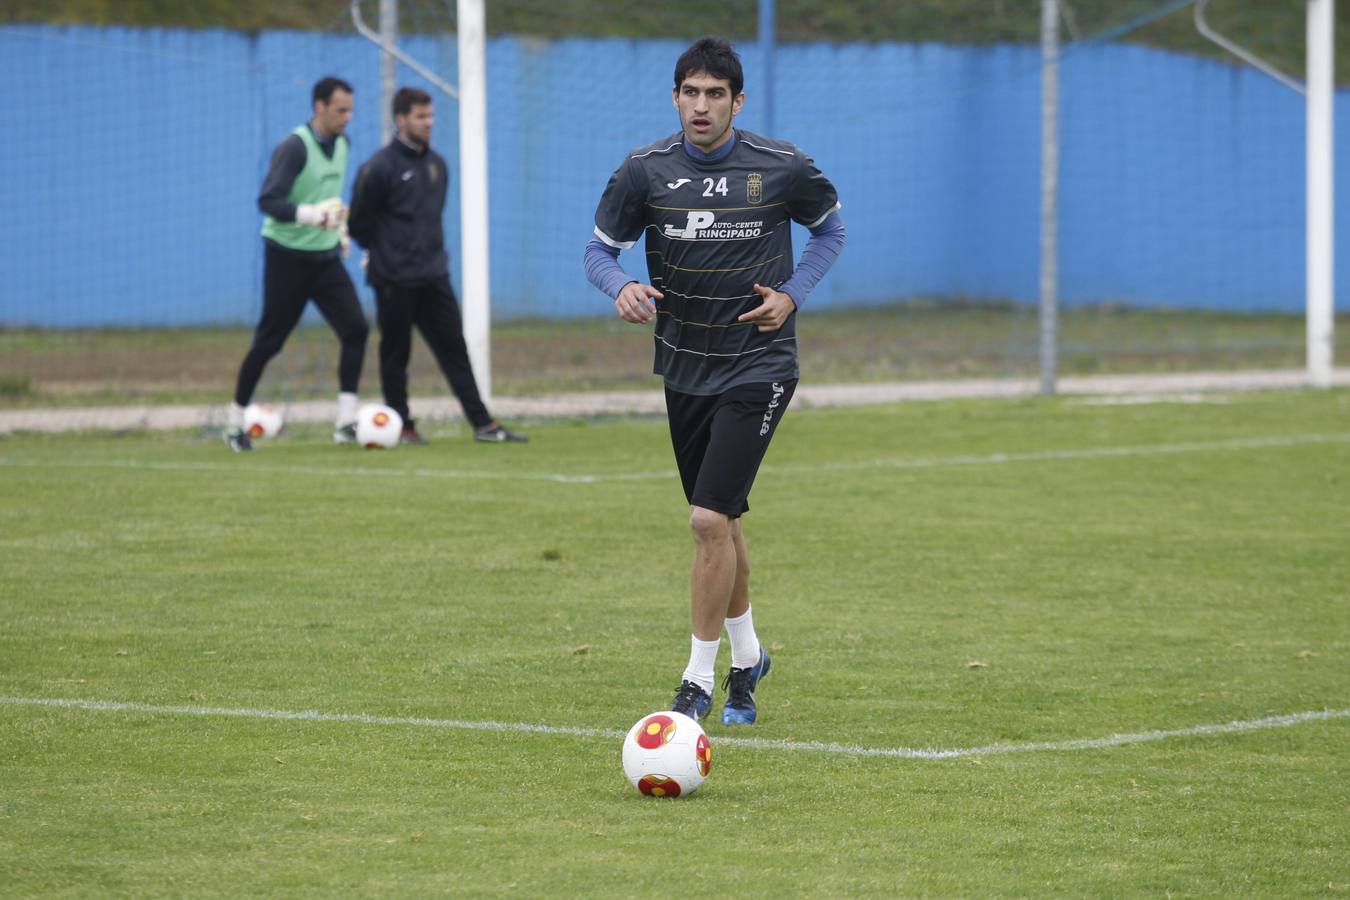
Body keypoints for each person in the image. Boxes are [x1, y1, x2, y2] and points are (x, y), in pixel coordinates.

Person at [584, 37, 845, 725]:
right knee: (721, 522)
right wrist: (621, 287)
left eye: (715, 94)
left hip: (760, 364)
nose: (702, 106)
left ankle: (696, 683)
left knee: (705, 519)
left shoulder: (782, 166)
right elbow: (599, 251)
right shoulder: (645, 171)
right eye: (690, 93)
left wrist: (791, 294)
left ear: (737, 101)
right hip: (683, 364)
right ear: (675, 98)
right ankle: (749, 656)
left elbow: (830, 233)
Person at [347, 87, 525, 445]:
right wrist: (385, 253)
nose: (428, 123)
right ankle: (403, 426)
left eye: (430, 116)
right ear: (401, 120)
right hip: (394, 278)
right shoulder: (378, 167)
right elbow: (358, 225)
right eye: (420, 117)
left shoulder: (437, 164)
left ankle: (483, 425)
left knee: (454, 349)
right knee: (396, 354)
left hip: (433, 274)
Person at [226, 76, 370, 452]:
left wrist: (339, 230)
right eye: (341, 110)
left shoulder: (343, 144)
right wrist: (310, 216)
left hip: (325, 260)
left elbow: (330, 201)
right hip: (287, 259)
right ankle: (233, 422)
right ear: (319, 107)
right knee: (270, 342)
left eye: (351, 110)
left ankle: (346, 422)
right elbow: (268, 202)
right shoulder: (294, 147)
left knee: (356, 328)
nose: (348, 117)